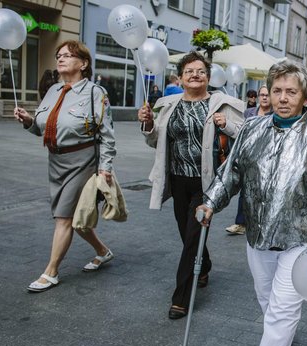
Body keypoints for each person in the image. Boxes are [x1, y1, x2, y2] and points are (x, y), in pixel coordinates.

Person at [196, 59, 307, 346]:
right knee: (268, 300)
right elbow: (231, 174)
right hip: (260, 234)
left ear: (304, 95)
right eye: (277, 90)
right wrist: (210, 202)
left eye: (290, 91)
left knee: (282, 310)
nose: (282, 97)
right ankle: (280, 339)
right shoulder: (252, 129)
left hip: (303, 239)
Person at [138, 51, 245, 320]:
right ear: (181, 77)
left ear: (208, 77)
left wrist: (227, 124)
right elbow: (154, 141)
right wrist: (149, 123)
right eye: (189, 71)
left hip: (206, 182)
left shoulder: (221, 103)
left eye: (200, 71)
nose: (195, 75)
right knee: (188, 234)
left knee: (192, 238)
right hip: (177, 180)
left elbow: (244, 133)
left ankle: (181, 298)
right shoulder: (169, 105)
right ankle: (205, 264)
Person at [13, 40, 117, 292]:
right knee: (75, 219)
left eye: (68, 56)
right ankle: (102, 251)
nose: (60, 59)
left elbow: (107, 135)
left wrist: (105, 167)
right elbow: (41, 128)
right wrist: (28, 120)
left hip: (82, 161)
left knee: (64, 217)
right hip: (56, 161)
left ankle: (51, 272)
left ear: (83, 64)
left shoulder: (95, 93)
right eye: (59, 55)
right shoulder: (53, 91)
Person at [225, 85, 273, 236]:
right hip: (248, 156)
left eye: (267, 95)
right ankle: (241, 223)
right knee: (245, 190)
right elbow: (240, 132)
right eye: (262, 95)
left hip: (267, 158)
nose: (264, 97)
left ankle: (262, 223)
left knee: (265, 192)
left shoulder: (274, 115)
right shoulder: (249, 112)